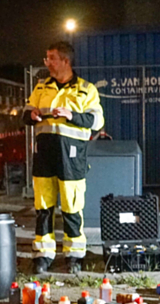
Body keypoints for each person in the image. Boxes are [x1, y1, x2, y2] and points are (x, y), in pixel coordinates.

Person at [23, 41, 104, 274]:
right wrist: (33, 114)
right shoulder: (41, 88)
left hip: (72, 156)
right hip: (44, 155)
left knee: (71, 206)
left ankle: (74, 256)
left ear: (65, 61)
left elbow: (97, 121)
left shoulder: (86, 89)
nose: (47, 62)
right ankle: (43, 255)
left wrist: (71, 115)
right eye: (47, 58)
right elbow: (25, 114)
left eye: (51, 58)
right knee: (43, 207)